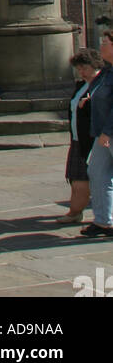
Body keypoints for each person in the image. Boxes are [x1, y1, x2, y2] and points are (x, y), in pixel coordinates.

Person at [59, 47, 103, 225]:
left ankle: (75, 212)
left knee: (81, 181)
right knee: (76, 178)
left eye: (85, 68)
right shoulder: (81, 85)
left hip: (96, 139)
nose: (82, 72)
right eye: (79, 69)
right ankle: (76, 211)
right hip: (78, 139)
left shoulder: (102, 84)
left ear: (94, 65)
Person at [80, 29, 113, 239]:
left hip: (108, 133)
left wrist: (108, 132)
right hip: (103, 132)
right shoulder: (108, 71)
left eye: (105, 43)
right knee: (97, 173)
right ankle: (103, 221)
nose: (101, 47)